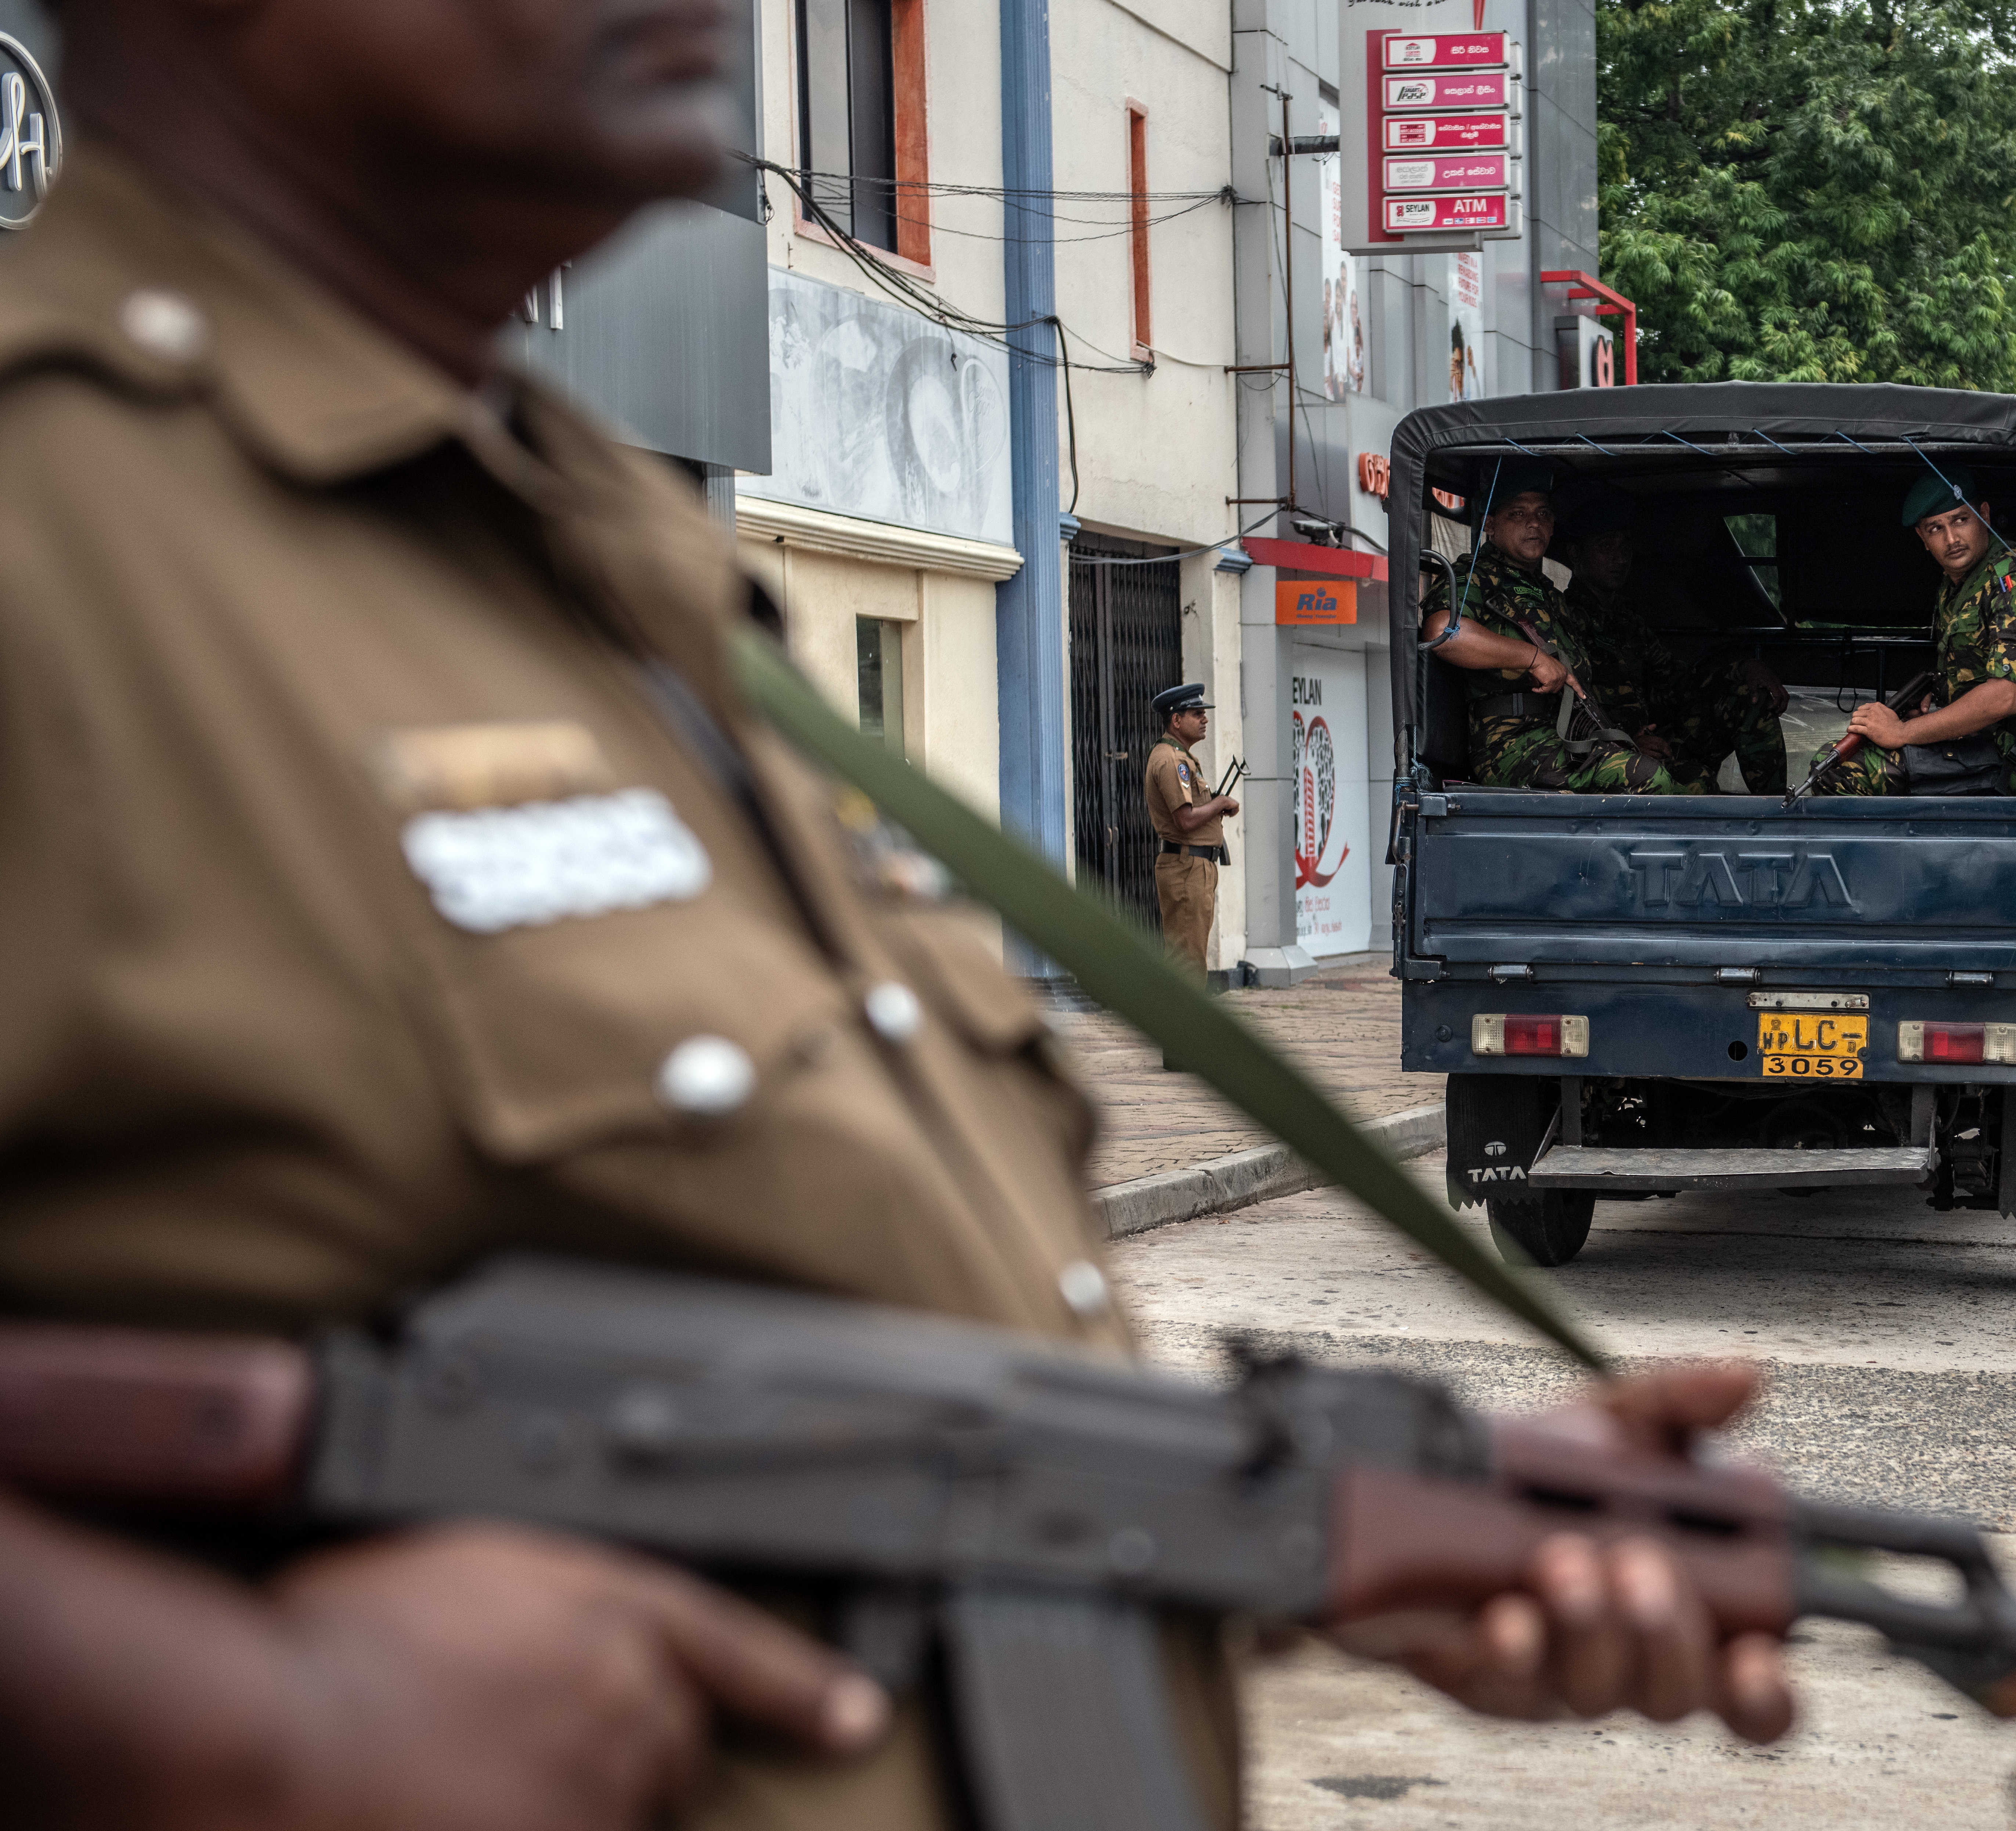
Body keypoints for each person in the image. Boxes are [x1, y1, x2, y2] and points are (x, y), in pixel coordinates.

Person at [0, 5, 1792, 1828]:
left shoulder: (594, 553)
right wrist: (248, 1728)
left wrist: (1343, 1524)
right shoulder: (52, 532)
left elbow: (845, 1438)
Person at [1419, 466, 1686, 794]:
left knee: (1684, 777)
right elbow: (1443, 632)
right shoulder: (1476, 577)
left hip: (1565, 734)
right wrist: (1532, 658)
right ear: (1490, 524)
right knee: (1649, 777)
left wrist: (1624, 735)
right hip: (1511, 745)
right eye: (1519, 513)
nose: (1535, 523)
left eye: (1543, 513)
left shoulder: (1550, 595)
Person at [1816, 467, 2016, 795]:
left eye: (1961, 520)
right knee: (1833, 758)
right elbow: (1973, 665)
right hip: (1983, 742)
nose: (1951, 539)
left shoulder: (2013, 578)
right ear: (1923, 538)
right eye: (1936, 528)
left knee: (1841, 773)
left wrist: (1904, 732)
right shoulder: (1957, 584)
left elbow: (2005, 696)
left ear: (1985, 515)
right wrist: (1938, 690)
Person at [1555, 488, 1790, 794]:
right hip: (1605, 750)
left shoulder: (1626, 618)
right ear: (1576, 554)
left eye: (1626, 546)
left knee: (1750, 697)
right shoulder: (1564, 617)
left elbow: (1676, 683)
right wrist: (1623, 740)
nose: (1620, 558)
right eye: (1606, 547)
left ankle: (1780, 813)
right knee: (1697, 785)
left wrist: (1744, 669)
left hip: (1653, 736)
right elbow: (1566, 707)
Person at [1144, 683, 1236, 972]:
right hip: (1187, 868)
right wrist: (1219, 803)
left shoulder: (1180, 757)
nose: (1205, 719)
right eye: (1198, 714)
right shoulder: (1172, 760)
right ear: (1177, 720)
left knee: (1190, 954)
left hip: (1194, 867)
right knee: (1188, 960)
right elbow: (1184, 820)